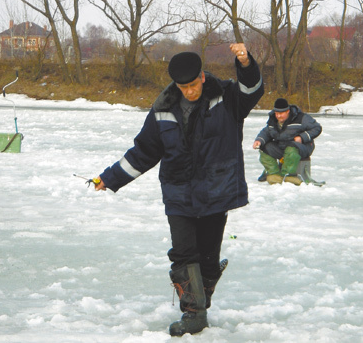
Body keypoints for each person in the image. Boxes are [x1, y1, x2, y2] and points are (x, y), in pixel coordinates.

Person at [93, 44, 264, 336]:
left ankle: (202, 291)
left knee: (208, 256)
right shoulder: (163, 108)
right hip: (179, 192)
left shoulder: (227, 98)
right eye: (183, 87)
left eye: (193, 85)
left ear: (202, 78)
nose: (189, 91)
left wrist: (246, 63)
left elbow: (252, 90)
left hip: (216, 190)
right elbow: (144, 151)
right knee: (184, 253)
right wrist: (109, 178)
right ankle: (195, 314)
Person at [253, 98, 322, 185]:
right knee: (264, 148)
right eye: (276, 113)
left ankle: (287, 175)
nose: (278, 116)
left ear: (288, 111)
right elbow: (266, 132)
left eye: (281, 113)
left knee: (291, 148)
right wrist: (259, 140)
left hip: (302, 148)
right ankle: (275, 175)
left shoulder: (302, 118)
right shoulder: (273, 120)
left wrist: (302, 137)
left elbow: (317, 128)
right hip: (282, 147)